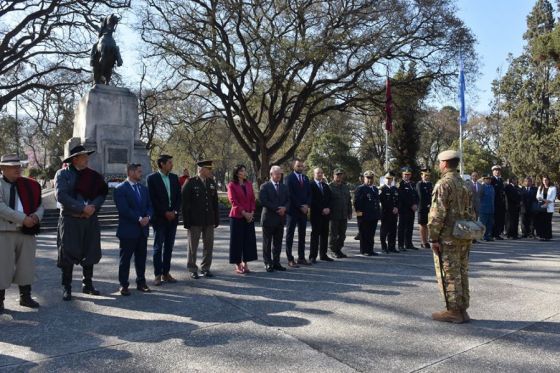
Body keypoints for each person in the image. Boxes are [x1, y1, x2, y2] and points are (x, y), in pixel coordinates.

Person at [55, 145, 108, 301]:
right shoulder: (63, 174)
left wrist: (93, 207)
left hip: (89, 219)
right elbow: (61, 196)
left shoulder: (93, 176)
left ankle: (88, 284)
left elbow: (101, 193)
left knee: (90, 251)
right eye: (84, 156)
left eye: (87, 156)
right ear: (75, 159)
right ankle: (67, 287)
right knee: (67, 253)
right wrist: (81, 208)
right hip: (70, 219)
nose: (87, 159)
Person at [428, 150, 474, 324]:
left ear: (445, 163)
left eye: (440, 162)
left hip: (448, 237)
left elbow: (437, 214)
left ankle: (453, 311)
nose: (439, 165)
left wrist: (433, 238)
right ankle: (462, 309)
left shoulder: (443, 184)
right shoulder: (465, 184)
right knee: (462, 272)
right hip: (463, 235)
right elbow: (472, 212)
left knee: (449, 273)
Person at [0, 154, 43, 312]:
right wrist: (22, 218)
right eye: (12, 166)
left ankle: (25, 296)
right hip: (4, 230)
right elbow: (1, 207)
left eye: (18, 166)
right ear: (2, 169)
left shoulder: (29, 185)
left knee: (27, 264)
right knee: (2, 266)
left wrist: (36, 216)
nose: (17, 169)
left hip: (27, 230)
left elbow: (40, 204)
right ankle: (0, 300)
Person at [113, 164, 153, 296]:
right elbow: (124, 209)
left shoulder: (143, 188)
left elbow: (149, 205)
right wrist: (139, 218)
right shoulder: (120, 189)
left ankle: (141, 282)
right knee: (125, 259)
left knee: (141, 258)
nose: (141, 174)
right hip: (128, 230)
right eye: (138, 171)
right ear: (130, 172)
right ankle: (123, 285)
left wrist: (148, 216)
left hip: (143, 230)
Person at [147, 154, 181, 286]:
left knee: (169, 247)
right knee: (158, 247)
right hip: (160, 219)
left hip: (173, 218)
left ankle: (166, 273)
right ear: (162, 164)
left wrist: (175, 212)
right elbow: (153, 199)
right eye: (170, 163)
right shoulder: (152, 178)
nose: (172, 165)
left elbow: (179, 197)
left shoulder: (174, 177)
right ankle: (157, 274)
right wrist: (165, 212)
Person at [182, 160, 220, 278]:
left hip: (208, 220)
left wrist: (216, 218)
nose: (210, 171)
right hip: (195, 220)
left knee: (209, 245)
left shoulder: (211, 182)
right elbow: (185, 203)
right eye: (208, 169)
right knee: (193, 246)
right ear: (201, 170)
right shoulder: (190, 182)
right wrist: (186, 221)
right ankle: (193, 268)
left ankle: (206, 268)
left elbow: (215, 203)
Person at [227, 164, 258, 274]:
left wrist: (251, 212)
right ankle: (238, 263)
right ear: (237, 173)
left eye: (245, 170)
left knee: (248, 241)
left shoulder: (249, 184)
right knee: (237, 241)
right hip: (237, 216)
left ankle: (246, 263)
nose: (244, 172)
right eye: (242, 171)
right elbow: (233, 201)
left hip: (249, 216)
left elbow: (252, 200)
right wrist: (244, 213)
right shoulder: (231, 185)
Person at [259, 165, 289, 272]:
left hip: (280, 219)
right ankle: (268, 263)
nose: (279, 176)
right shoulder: (264, 186)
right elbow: (263, 201)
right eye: (277, 174)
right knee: (267, 243)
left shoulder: (284, 187)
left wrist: (284, 208)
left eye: (280, 174)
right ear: (271, 174)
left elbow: (288, 200)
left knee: (278, 243)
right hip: (268, 219)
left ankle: (276, 262)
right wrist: (278, 208)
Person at [285, 159, 311, 267]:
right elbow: (290, 194)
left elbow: (309, 193)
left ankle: (301, 257)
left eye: (302, 166)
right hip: (292, 211)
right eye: (298, 166)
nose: (300, 168)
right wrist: (300, 205)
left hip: (303, 212)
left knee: (302, 234)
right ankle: (290, 259)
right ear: (293, 167)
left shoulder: (305, 178)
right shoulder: (288, 178)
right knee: (290, 235)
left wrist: (307, 205)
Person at [354, 170, 381, 256]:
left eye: (371, 178)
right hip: (364, 216)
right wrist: (359, 216)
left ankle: (370, 250)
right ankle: (364, 250)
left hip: (373, 215)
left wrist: (378, 214)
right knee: (364, 233)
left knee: (371, 234)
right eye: (368, 178)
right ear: (364, 178)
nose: (369, 180)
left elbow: (376, 202)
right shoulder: (360, 188)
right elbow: (356, 203)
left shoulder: (375, 189)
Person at [309, 167, 333, 263]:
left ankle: (323, 255)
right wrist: (322, 209)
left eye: (321, 173)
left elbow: (330, 199)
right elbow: (312, 200)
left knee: (325, 235)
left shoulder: (326, 186)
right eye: (318, 173)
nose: (320, 174)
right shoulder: (310, 185)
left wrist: (328, 208)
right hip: (316, 214)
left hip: (326, 215)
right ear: (314, 174)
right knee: (315, 235)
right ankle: (312, 256)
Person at [328, 169, 352, 258]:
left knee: (342, 234)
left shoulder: (345, 187)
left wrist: (350, 212)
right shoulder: (329, 187)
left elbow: (348, 200)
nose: (339, 177)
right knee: (333, 234)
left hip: (343, 215)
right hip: (334, 215)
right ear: (333, 176)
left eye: (340, 175)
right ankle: (332, 250)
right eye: (337, 175)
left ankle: (338, 249)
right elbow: (327, 201)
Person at [398, 167, 419, 251]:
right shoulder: (400, 184)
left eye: (408, 174)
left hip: (412, 209)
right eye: (405, 174)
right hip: (404, 209)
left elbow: (416, 196)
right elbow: (402, 197)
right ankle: (401, 245)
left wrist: (416, 204)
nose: (407, 176)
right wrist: (411, 204)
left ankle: (409, 243)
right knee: (402, 227)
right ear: (402, 175)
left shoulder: (413, 184)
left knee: (410, 227)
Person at [379, 172, 399, 253]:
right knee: (384, 231)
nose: (388, 180)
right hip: (385, 213)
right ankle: (384, 247)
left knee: (393, 230)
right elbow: (383, 202)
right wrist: (392, 208)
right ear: (384, 179)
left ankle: (392, 247)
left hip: (394, 213)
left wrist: (397, 207)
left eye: (390, 178)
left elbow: (398, 200)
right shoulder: (382, 189)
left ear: (392, 179)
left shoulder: (395, 189)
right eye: (387, 178)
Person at [535, 176, 556, 241]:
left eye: (546, 180)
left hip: (549, 207)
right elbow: (537, 196)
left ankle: (547, 236)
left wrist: (545, 201)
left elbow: (552, 199)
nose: (545, 181)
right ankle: (542, 236)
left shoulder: (553, 188)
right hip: (542, 207)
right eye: (544, 180)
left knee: (547, 222)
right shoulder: (540, 187)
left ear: (549, 180)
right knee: (541, 222)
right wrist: (543, 201)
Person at [416, 168, 433, 248]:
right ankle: (423, 241)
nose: (426, 177)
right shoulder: (419, 184)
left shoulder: (429, 184)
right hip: (422, 207)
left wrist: (431, 204)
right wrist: (427, 204)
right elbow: (421, 196)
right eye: (425, 175)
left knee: (427, 225)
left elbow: (431, 195)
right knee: (422, 225)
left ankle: (426, 240)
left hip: (429, 207)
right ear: (421, 175)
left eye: (428, 175)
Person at [491, 165, 506, 240]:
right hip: (494, 202)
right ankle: (492, 234)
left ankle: (497, 234)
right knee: (494, 219)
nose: (497, 172)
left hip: (500, 203)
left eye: (498, 170)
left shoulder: (500, 180)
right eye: (496, 170)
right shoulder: (492, 180)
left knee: (499, 219)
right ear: (493, 171)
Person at [479, 174, 495, 242]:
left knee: (489, 224)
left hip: (491, 208)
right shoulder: (482, 187)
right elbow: (479, 197)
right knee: (483, 224)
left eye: (489, 179)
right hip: (483, 208)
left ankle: (487, 236)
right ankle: (481, 236)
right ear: (484, 180)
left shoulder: (491, 187)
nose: (488, 180)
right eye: (487, 179)